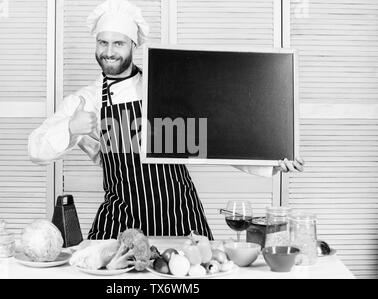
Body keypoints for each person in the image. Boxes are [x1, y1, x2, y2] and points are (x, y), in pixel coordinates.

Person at [28, 0, 304, 240]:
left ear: (134, 44)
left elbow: (217, 138)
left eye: (118, 43)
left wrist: (271, 161)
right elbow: (36, 149)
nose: (109, 51)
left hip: (181, 218)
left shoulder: (166, 85)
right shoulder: (86, 100)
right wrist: (70, 128)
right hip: (120, 220)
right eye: (103, 42)